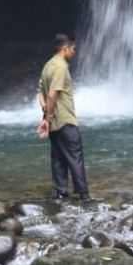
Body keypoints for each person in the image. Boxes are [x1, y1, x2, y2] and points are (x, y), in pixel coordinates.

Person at [37, 34, 90, 202]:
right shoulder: (61, 67)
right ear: (65, 48)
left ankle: (61, 193)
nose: (74, 53)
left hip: (54, 124)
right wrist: (49, 116)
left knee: (58, 158)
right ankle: (84, 195)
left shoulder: (48, 66)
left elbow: (41, 95)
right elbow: (52, 94)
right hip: (65, 120)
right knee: (75, 156)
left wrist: (46, 116)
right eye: (73, 49)